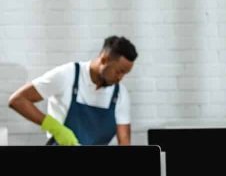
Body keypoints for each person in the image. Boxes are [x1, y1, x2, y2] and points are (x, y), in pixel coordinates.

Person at [7, 36, 137, 146]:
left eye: (125, 73)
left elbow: (124, 142)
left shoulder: (120, 94)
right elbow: (17, 100)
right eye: (119, 71)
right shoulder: (68, 75)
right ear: (104, 59)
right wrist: (56, 129)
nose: (120, 78)